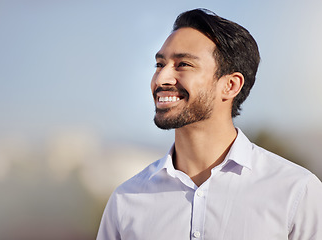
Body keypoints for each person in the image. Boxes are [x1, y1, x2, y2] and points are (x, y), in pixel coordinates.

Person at [96, 8, 322, 240]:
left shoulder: (297, 193)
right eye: (159, 64)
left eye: (183, 64)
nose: (161, 78)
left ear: (231, 85)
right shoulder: (125, 200)